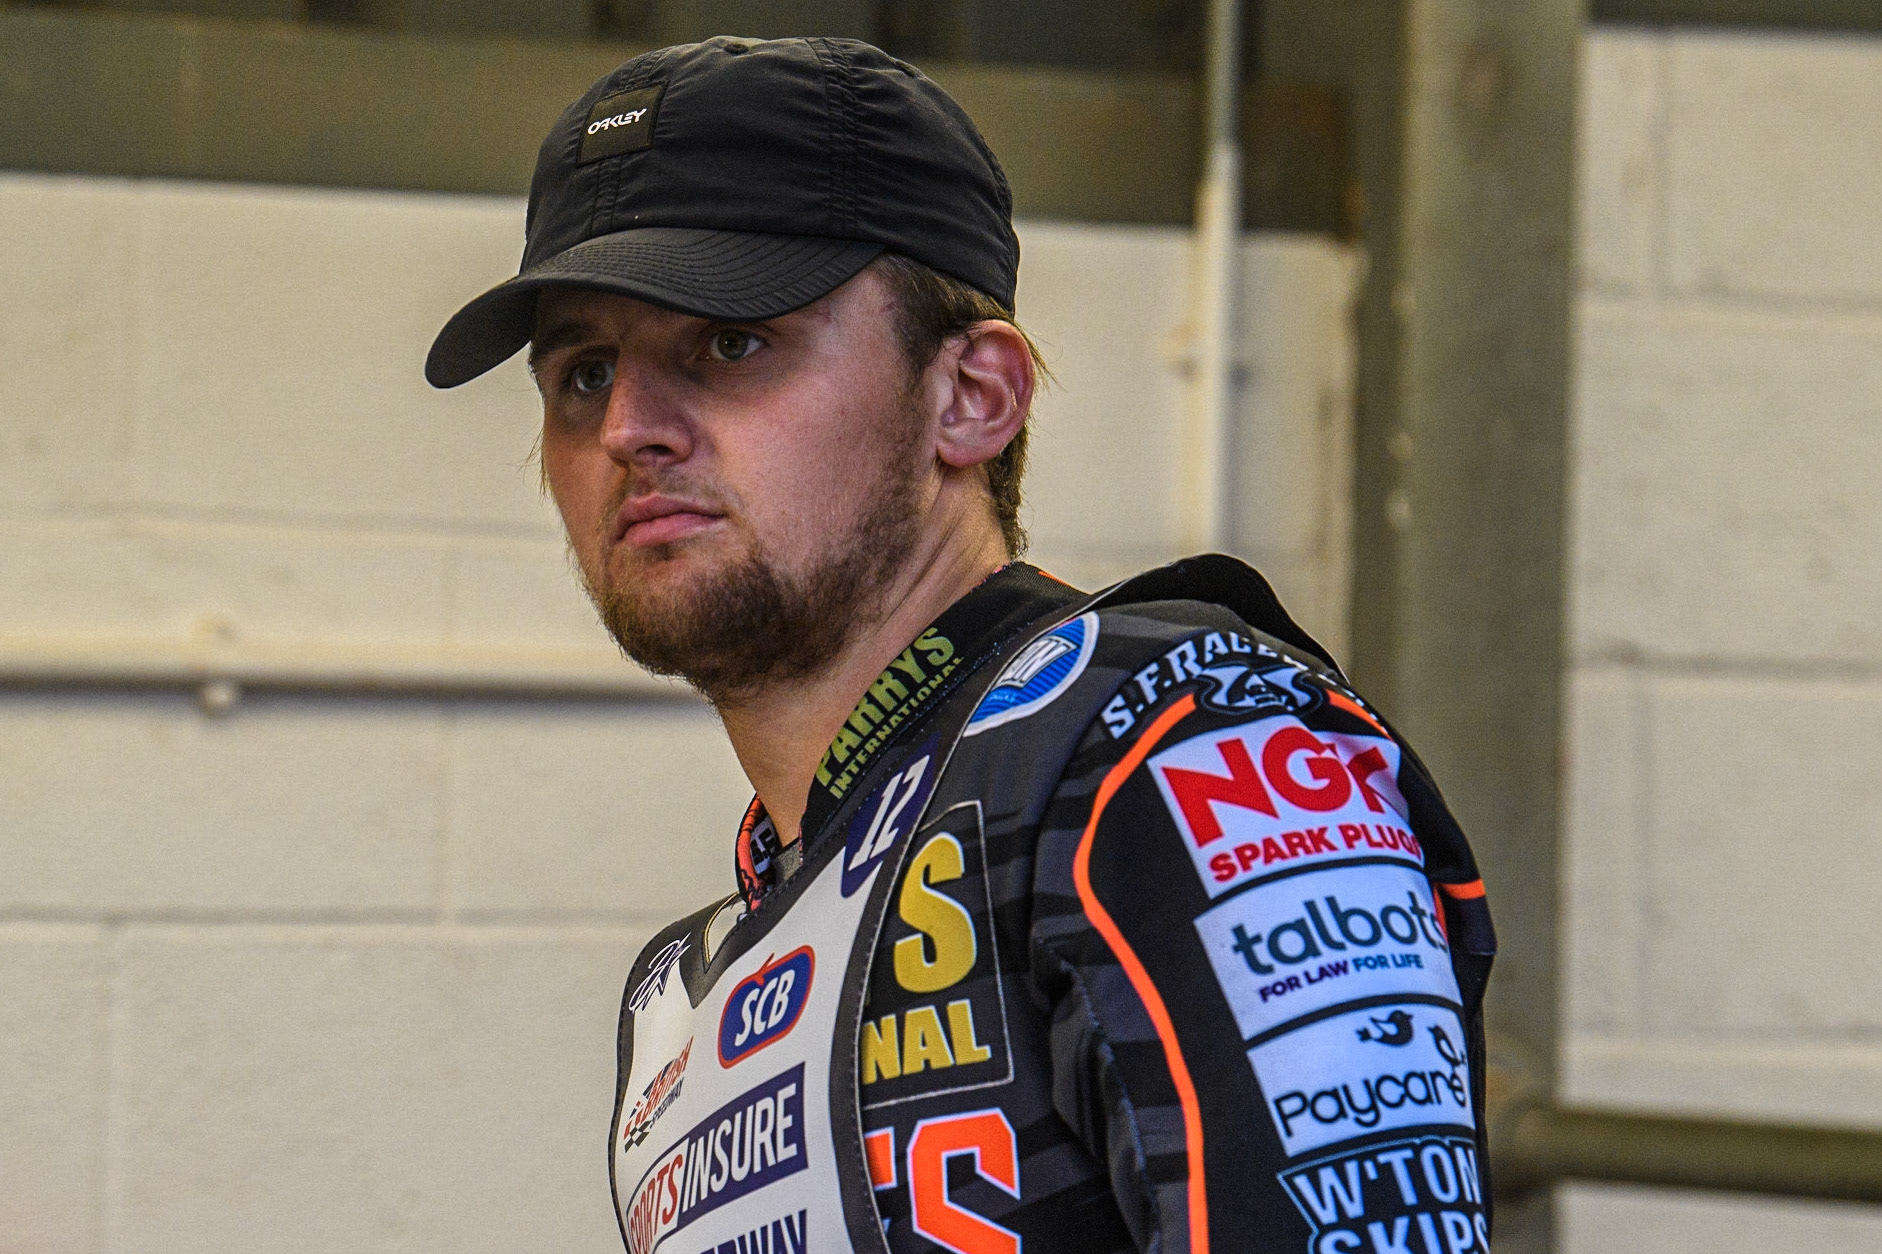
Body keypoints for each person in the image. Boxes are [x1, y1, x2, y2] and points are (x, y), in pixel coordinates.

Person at [426, 35, 1496, 1254]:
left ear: (972, 395)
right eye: (583, 373)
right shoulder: (685, 999)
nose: (627, 427)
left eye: (728, 342)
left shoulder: (1172, 736)